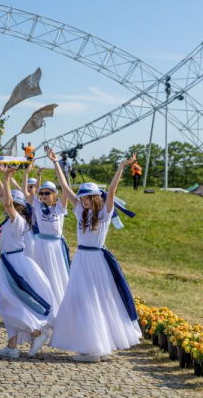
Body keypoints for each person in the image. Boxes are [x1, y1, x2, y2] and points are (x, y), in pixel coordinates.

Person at [47, 147, 141, 362]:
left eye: (86, 198)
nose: (81, 200)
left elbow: (113, 189)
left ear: (94, 198)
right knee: (81, 299)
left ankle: (95, 350)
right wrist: (56, 164)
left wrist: (121, 166)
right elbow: (64, 187)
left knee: (95, 300)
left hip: (96, 260)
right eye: (81, 198)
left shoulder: (105, 213)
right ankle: (94, 346)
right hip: (81, 258)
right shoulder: (80, 210)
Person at [0, 165, 56, 359]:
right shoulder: (11, 221)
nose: (6, 204)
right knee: (8, 303)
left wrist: (5, 179)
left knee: (10, 304)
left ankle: (36, 333)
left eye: (11, 203)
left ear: (17, 206)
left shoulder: (17, 221)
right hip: (8, 264)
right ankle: (12, 346)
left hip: (14, 264)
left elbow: (7, 205)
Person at [28, 176, 69, 312]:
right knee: (42, 276)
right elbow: (25, 192)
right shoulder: (38, 206)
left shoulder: (60, 207)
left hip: (56, 246)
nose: (43, 195)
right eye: (42, 193)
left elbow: (65, 189)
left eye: (47, 193)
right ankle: (43, 305)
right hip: (41, 245)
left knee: (57, 275)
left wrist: (57, 166)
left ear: (54, 194)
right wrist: (28, 173)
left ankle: (60, 306)